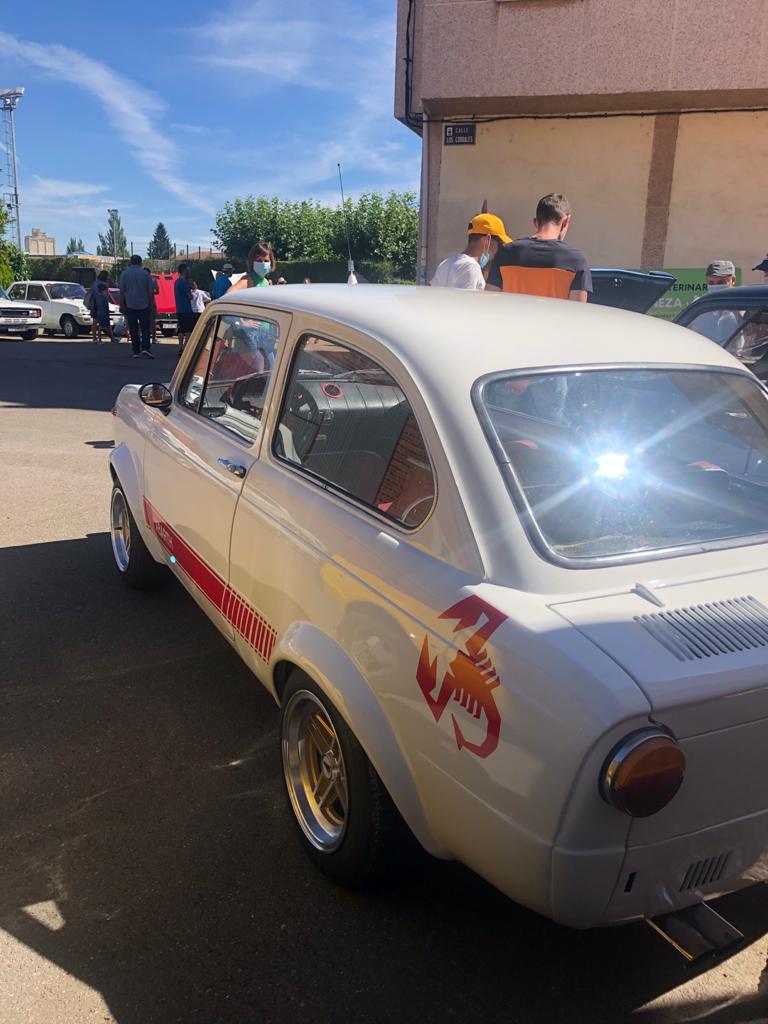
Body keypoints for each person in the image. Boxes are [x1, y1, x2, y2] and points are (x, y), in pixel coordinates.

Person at [486, 193, 592, 301]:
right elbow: (577, 313)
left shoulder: (505, 253)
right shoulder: (576, 261)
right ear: (565, 222)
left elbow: (490, 303)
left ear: (536, 222)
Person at [431, 212, 511, 290]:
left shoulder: (446, 263)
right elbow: (466, 303)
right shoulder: (471, 266)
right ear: (487, 240)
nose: (499, 250)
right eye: (500, 244)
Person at [692, 260, 742, 346]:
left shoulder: (742, 305)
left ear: (733, 280)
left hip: (734, 358)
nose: (715, 286)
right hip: (705, 357)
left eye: (721, 283)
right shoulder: (699, 305)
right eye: (711, 283)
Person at [118, 254, 155, 358]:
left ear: (131, 262)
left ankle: (136, 350)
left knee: (133, 328)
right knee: (145, 327)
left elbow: (122, 292)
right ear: (140, 262)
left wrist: (121, 305)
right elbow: (150, 291)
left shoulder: (125, 274)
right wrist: (151, 304)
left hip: (130, 304)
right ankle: (146, 348)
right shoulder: (145, 274)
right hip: (144, 304)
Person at [174, 262, 195, 356]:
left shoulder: (177, 282)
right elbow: (190, 296)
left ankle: (180, 347)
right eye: (188, 270)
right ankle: (185, 350)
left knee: (181, 329)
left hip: (179, 309)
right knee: (188, 330)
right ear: (184, 271)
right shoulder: (184, 282)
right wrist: (192, 288)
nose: (189, 272)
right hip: (186, 310)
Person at [87, 270, 110, 343]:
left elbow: (90, 292)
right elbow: (106, 296)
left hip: (94, 304)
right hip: (102, 304)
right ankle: (102, 338)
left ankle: (94, 338)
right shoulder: (104, 284)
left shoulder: (94, 283)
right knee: (103, 322)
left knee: (95, 322)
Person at [144, 268, 160, 345]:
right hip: (151, 302)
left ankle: (144, 338)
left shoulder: (141, 280)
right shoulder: (153, 280)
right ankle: (154, 338)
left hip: (142, 302)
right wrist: (151, 292)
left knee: (143, 320)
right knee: (152, 320)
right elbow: (157, 291)